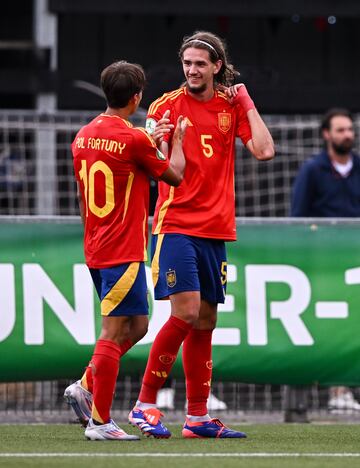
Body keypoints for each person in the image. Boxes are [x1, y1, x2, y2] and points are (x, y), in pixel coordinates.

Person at [128, 31, 275, 439]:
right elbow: (160, 166)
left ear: (216, 67)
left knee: (206, 321)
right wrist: (170, 142)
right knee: (187, 312)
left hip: (216, 229)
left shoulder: (231, 105)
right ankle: (144, 403)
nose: (192, 70)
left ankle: (197, 418)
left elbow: (264, 151)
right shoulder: (165, 107)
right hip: (176, 225)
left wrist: (246, 101)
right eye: (187, 63)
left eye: (199, 64)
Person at [64, 60, 187, 440]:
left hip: (97, 245)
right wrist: (174, 140)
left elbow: (120, 161)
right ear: (136, 98)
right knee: (114, 330)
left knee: (138, 325)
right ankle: (100, 421)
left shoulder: (83, 135)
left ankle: (86, 383)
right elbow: (174, 176)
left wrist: (151, 137)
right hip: (122, 248)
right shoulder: (133, 138)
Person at [291, 108, 360, 412]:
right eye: (341, 130)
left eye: (350, 129)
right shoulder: (313, 170)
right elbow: (298, 216)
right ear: (327, 134)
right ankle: (333, 392)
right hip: (323, 264)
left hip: (355, 262)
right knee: (328, 323)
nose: (348, 134)